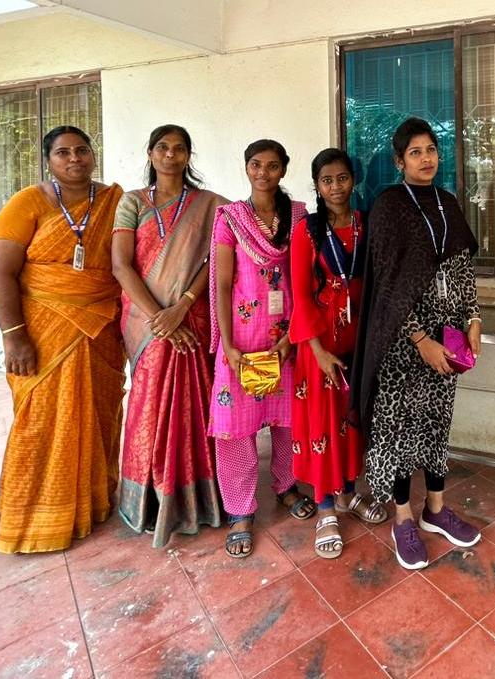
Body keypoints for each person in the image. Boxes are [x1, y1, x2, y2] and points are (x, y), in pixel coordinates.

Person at [0, 125, 126, 554]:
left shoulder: (115, 201)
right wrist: (14, 336)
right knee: (41, 419)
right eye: (63, 152)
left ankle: (91, 503)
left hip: (101, 326)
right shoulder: (27, 202)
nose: (74, 159)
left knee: (97, 415)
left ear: (93, 154)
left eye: (82, 150)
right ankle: (33, 517)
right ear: (48, 160)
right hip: (42, 329)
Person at [351, 117, 483, 570]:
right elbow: (387, 285)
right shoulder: (389, 207)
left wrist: (473, 318)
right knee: (402, 430)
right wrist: (420, 338)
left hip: (448, 336)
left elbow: (462, 269)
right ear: (399, 161)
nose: (426, 159)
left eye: (430, 150)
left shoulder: (447, 203)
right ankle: (404, 518)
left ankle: (436, 510)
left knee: (437, 423)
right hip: (402, 340)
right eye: (415, 152)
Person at [111, 124, 227, 548]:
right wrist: (160, 316)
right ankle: (150, 502)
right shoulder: (131, 202)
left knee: (197, 400)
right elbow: (121, 266)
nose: (171, 155)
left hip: (191, 316)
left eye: (179, 149)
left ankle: (204, 498)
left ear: (188, 155)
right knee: (149, 404)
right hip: (145, 323)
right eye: (162, 147)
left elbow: (215, 260)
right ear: (150, 153)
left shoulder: (211, 205)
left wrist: (181, 308)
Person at [209, 139, 315, 559]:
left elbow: (307, 280)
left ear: (283, 170)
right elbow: (221, 283)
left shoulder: (299, 216)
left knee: (289, 421)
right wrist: (228, 344)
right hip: (242, 339)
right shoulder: (229, 219)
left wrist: (293, 337)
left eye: (272, 166)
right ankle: (240, 511)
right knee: (236, 428)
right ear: (246, 167)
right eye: (256, 165)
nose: (263, 173)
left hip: (288, 336)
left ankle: (286, 486)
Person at [289, 148, 387, 560]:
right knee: (323, 425)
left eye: (342, 178)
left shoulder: (366, 224)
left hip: (358, 341)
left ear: (353, 180)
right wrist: (318, 352)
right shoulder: (307, 231)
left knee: (352, 422)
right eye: (326, 180)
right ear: (316, 185)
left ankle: (348, 493)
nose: (335, 187)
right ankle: (325, 507)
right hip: (320, 347)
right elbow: (299, 295)